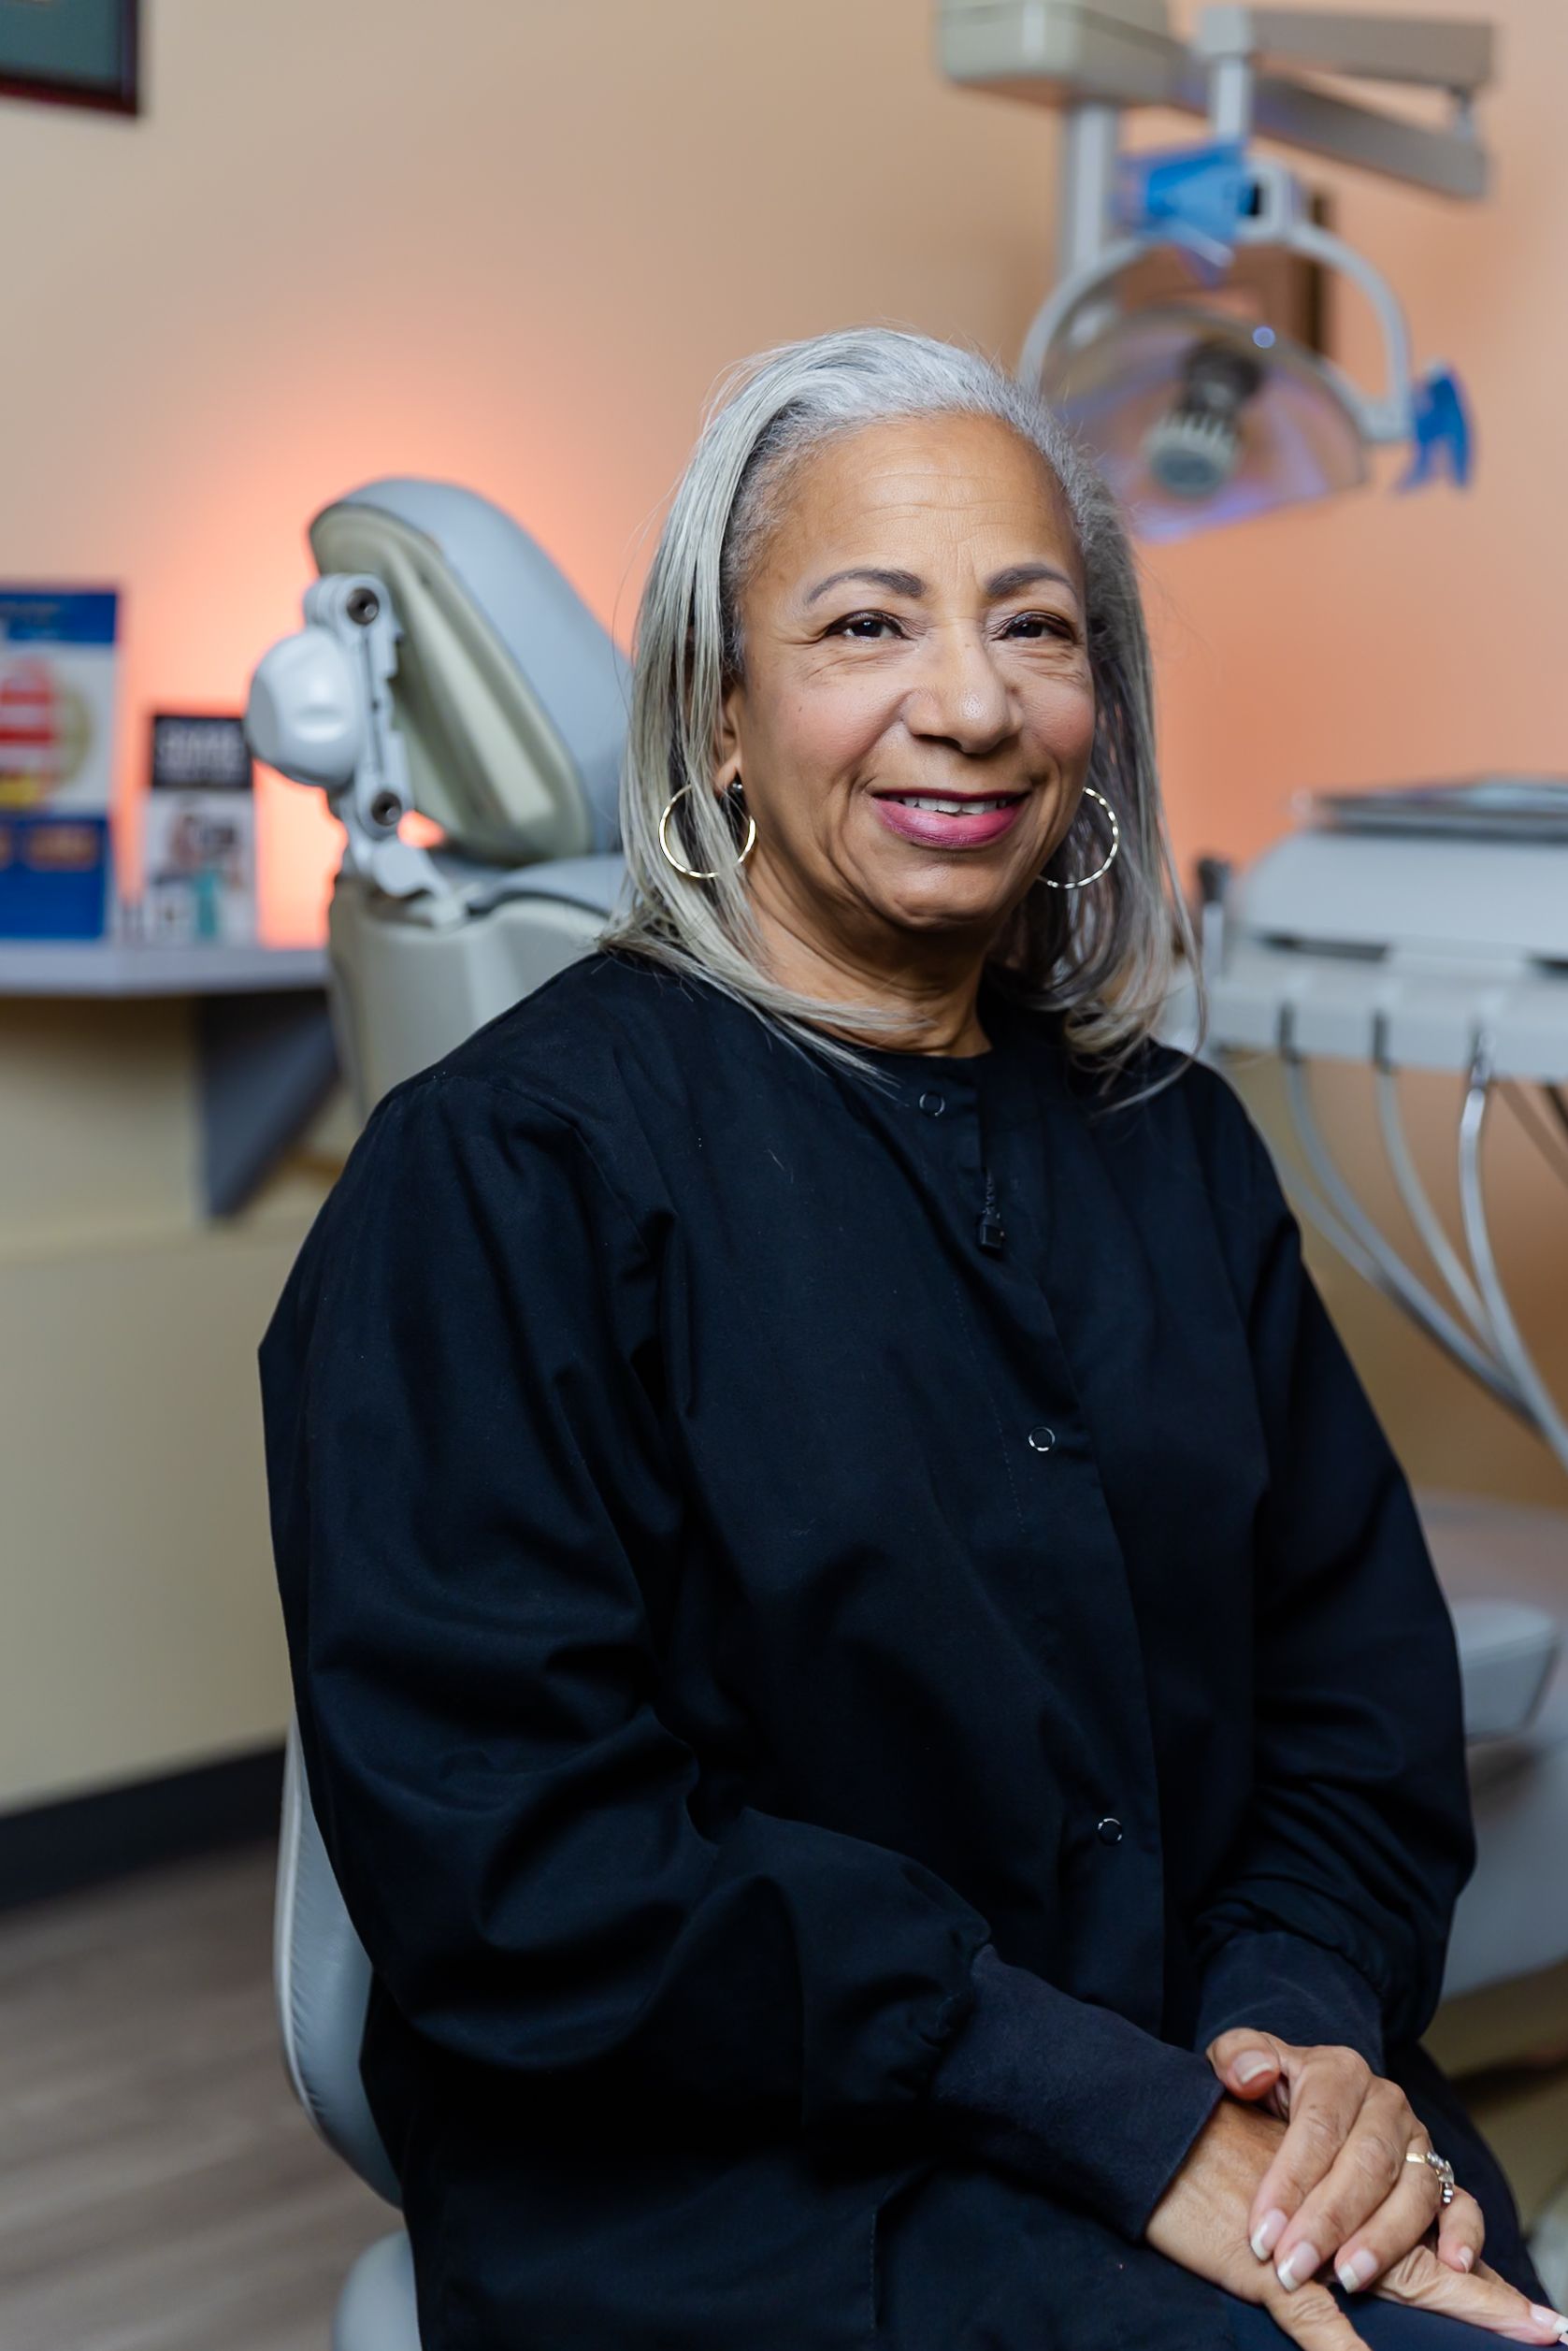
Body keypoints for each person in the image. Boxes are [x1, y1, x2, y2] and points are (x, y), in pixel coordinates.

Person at [258, 327, 1568, 2351]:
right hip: (754, 2190)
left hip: (1212, 2098)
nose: (966, 705)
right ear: (714, 715)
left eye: (1032, 631)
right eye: (865, 623)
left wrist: (1292, 2039)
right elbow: (522, 1857)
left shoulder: (1172, 1151)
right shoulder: (505, 1177)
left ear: (1096, 710)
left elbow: (1351, 1708)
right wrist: (1115, 2119)